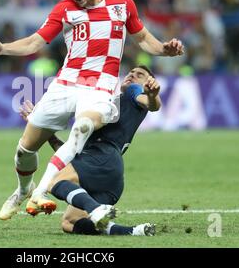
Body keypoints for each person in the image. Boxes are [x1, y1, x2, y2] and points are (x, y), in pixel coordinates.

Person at [0, 0, 183, 220]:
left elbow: (144, 39)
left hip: (99, 87)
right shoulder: (64, 9)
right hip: (65, 84)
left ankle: (41, 190)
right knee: (25, 149)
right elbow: (35, 43)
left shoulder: (122, 4)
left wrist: (163, 50)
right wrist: (4, 48)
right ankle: (24, 190)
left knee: (82, 127)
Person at [19, 66, 160, 236]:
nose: (132, 75)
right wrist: (43, 129)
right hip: (110, 173)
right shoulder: (107, 105)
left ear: (147, 83)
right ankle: (134, 231)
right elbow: (71, 152)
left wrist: (152, 95)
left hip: (102, 157)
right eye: (131, 72)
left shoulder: (132, 92)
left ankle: (96, 209)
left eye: (140, 75)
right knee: (70, 223)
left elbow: (151, 105)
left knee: (53, 182)